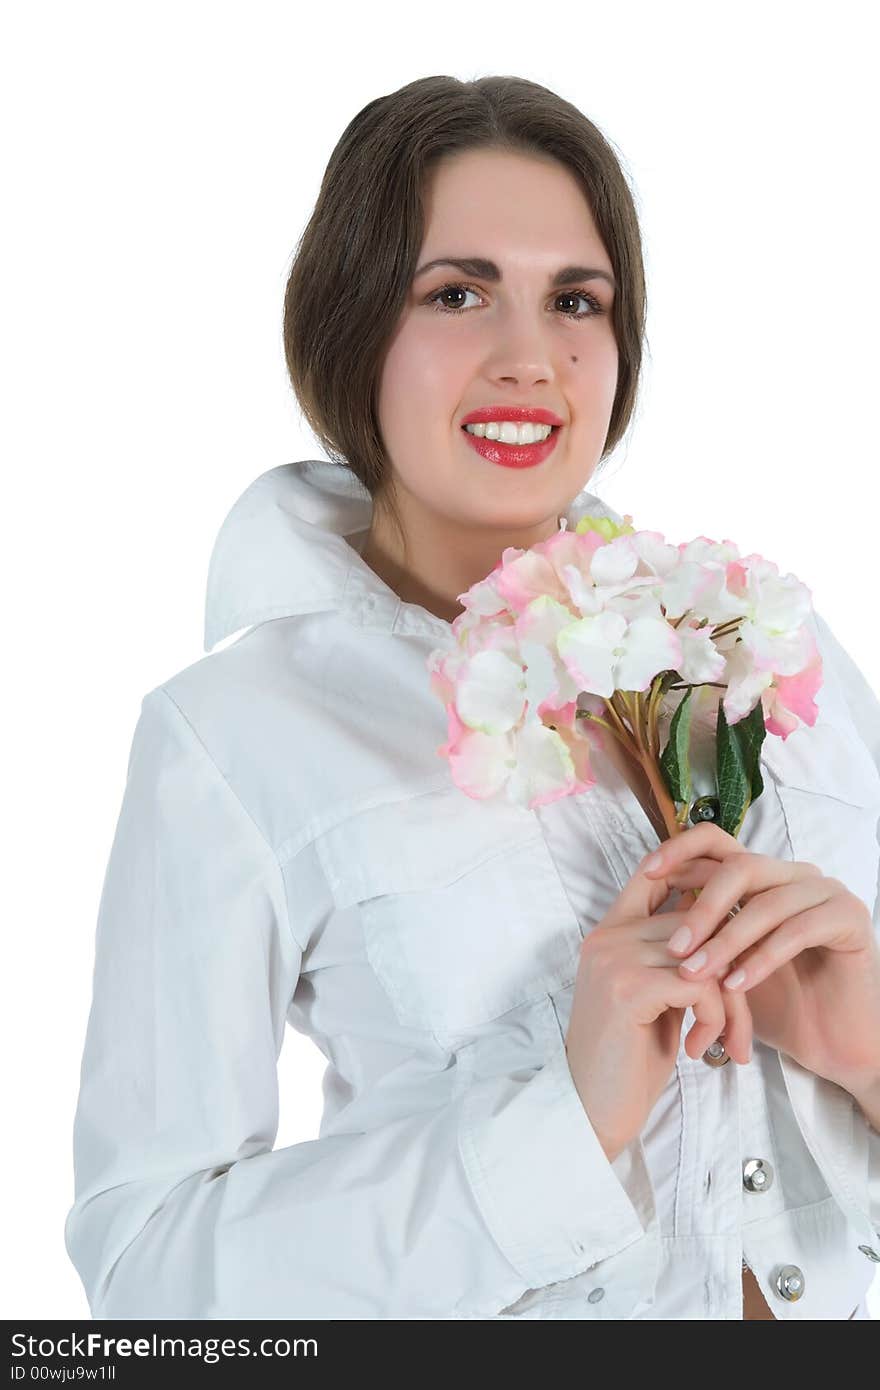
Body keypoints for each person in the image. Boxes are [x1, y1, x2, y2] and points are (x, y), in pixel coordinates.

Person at [63, 74, 880, 1320]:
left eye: (575, 301)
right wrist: (559, 1121)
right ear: (350, 329)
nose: (528, 359)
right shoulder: (232, 737)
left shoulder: (758, 638)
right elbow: (147, 1280)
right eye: (456, 292)